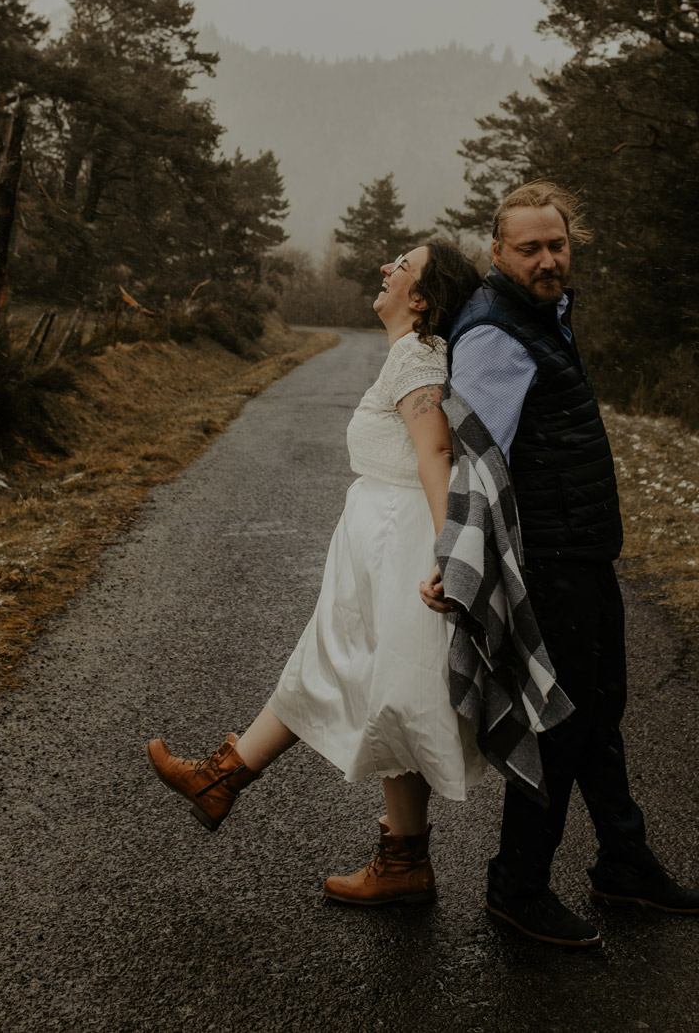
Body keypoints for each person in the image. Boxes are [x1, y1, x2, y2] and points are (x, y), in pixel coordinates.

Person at [147, 238, 485, 905]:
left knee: (388, 692)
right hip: (381, 539)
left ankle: (394, 858)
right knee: (342, 672)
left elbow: (435, 450)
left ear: (419, 298)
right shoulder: (410, 355)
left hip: (403, 544)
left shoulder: (417, 357)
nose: (386, 268)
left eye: (403, 266)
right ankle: (229, 781)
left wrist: (450, 550)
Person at [422, 180, 699, 947]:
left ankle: (623, 859)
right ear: (497, 251)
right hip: (546, 558)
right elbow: (473, 464)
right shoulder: (494, 332)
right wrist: (455, 561)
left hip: (582, 548)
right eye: (531, 249)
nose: (549, 259)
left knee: (599, 708)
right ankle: (517, 884)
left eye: (558, 245)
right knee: (558, 721)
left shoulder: (542, 315)